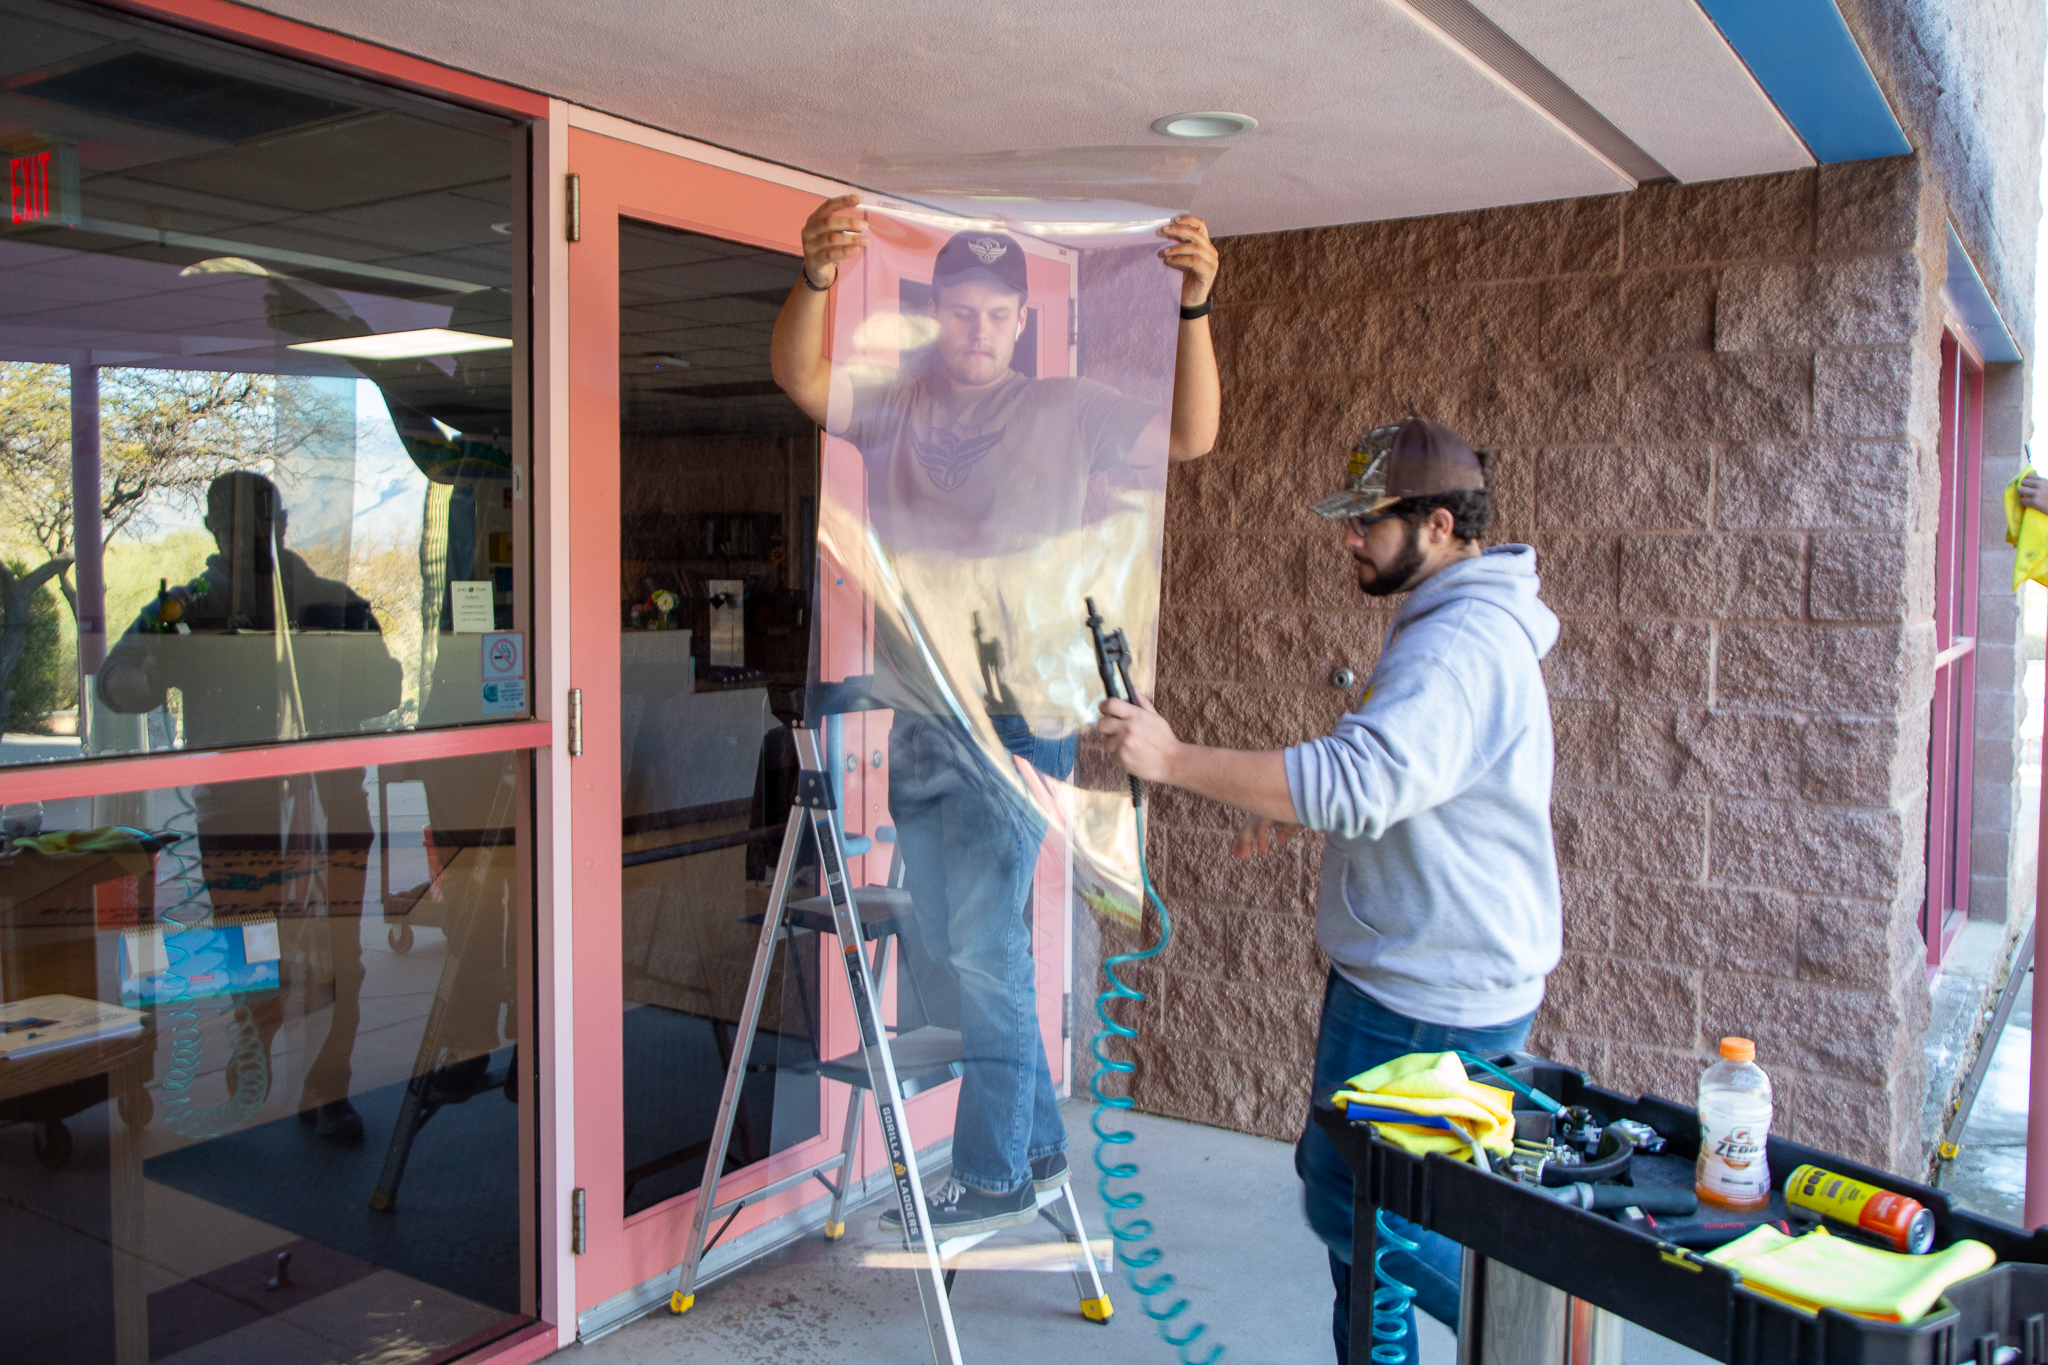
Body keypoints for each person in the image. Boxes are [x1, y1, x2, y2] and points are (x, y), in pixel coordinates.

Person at [769, 194, 1220, 1235]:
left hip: (1019, 721)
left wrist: (1192, 306)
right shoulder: (895, 402)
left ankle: (991, 1175)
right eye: (958, 310)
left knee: (982, 953)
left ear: (1020, 322)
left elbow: (1191, 437)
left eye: (993, 313)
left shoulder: (1063, 409)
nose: (974, 330)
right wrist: (818, 278)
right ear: (937, 317)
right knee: (960, 943)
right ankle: (1036, 1145)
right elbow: (799, 378)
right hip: (923, 715)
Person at [1096, 418, 1562, 1364]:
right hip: (1423, 971)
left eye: (1368, 521)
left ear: (1437, 524)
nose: (1348, 537)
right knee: (1358, 1201)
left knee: (1356, 1203)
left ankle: (1539, 1329)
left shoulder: (1462, 640)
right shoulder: (1451, 615)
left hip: (1429, 994)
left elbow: (1363, 776)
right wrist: (1320, 810)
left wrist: (1174, 755)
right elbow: (1408, 777)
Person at [100, 470, 401, 1143]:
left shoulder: (332, 601)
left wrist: (337, 672)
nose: (246, 537)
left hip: (333, 802)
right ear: (212, 530)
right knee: (248, 945)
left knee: (341, 954)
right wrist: (150, 673)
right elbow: (113, 684)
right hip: (236, 812)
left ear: (283, 524)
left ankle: (330, 1084)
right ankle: (254, 1058)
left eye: (258, 522)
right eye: (232, 525)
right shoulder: (187, 608)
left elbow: (387, 680)